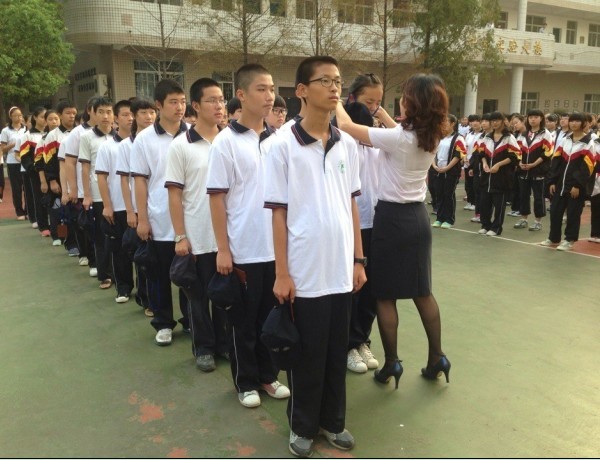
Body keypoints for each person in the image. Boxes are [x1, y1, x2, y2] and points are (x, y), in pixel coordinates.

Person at [266, 55, 365, 457]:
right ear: (302, 91)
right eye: (324, 80)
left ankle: (333, 422)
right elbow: (278, 213)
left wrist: (358, 260)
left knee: (335, 353)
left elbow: (352, 203)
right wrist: (282, 272)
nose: (334, 87)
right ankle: (303, 426)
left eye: (337, 80)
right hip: (304, 271)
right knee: (307, 355)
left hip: (340, 269)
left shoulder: (347, 144)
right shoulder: (280, 145)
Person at [335, 74, 452, 393]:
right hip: (418, 219)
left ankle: (392, 362)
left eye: (405, 97)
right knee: (422, 292)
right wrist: (379, 111)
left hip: (391, 219)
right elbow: (396, 128)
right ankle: (437, 357)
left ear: (411, 104)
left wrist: (336, 101)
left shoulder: (398, 138)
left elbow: (346, 126)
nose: (399, 101)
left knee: (385, 295)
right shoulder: (433, 135)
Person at [207, 63, 289, 409]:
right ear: (240, 94)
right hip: (244, 249)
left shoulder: (278, 141)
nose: (269, 96)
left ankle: (268, 376)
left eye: (271, 89)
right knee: (243, 322)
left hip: (277, 250)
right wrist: (223, 249)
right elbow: (217, 198)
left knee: (272, 318)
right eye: (261, 89)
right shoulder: (225, 142)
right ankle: (246, 381)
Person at [165, 78, 230, 372]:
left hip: (228, 236)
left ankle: (224, 344)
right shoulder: (181, 146)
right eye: (212, 100)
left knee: (225, 295)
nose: (219, 106)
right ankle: (203, 347)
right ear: (196, 105)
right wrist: (180, 235)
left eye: (222, 100)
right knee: (198, 296)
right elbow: (174, 195)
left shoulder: (229, 141)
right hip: (199, 235)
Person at [131, 79, 189, 345]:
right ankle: (164, 323)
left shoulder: (193, 134)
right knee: (159, 275)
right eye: (173, 102)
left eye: (183, 101)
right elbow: (140, 180)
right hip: (159, 218)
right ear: (159, 105)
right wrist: (142, 218)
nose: (180, 107)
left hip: (191, 219)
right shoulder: (144, 139)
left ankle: (190, 320)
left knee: (190, 276)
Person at [340, 73, 382, 375]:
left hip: (376, 224)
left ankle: (362, 340)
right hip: (351, 225)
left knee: (371, 289)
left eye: (378, 103)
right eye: (369, 102)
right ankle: (347, 344)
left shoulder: (376, 142)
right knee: (351, 287)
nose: (374, 108)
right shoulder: (341, 142)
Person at [116, 98, 157, 317]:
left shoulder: (160, 140)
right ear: (134, 115)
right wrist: (131, 211)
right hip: (139, 208)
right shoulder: (126, 145)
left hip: (160, 207)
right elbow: (125, 180)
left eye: (152, 112)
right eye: (143, 113)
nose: (149, 117)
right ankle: (146, 298)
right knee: (145, 255)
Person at [95, 99, 134, 302]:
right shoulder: (108, 147)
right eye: (125, 115)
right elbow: (102, 177)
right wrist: (107, 205)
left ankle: (145, 295)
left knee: (142, 252)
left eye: (133, 114)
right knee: (119, 250)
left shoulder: (141, 143)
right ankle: (123, 287)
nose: (130, 118)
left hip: (141, 206)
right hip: (118, 206)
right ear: (116, 118)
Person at [541, 112, 596, 251]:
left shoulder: (588, 143)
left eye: (577, 121)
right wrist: (552, 181)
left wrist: (577, 185)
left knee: (573, 214)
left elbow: (588, 167)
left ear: (584, 124)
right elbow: (556, 161)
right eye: (572, 121)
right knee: (555, 211)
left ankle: (569, 240)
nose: (573, 123)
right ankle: (553, 238)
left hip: (576, 186)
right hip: (560, 184)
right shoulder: (565, 139)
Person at [79, 97, 116, 288]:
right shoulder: (87, 137)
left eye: (109, 112)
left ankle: (119, 274)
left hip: (118, 194)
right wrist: (87, 195)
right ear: (92, 113)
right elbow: (85, 168)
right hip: (98, 193)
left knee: (119, 235)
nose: (105, 116)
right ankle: (105, 274)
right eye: (100, 112)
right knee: (102, 236)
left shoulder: (120, 136)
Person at [477, 111, 521, 236]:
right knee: (485, 203)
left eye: (497, 120)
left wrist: (498, 165)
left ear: (503, 121)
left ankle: (496, 228)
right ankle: (485, 225)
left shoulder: (509, 137)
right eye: (492, 120)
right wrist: (484, 163)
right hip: (487, 176)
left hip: (502, 177)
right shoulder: (487, 137)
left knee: (499, 205)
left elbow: (515, 156)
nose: (494, 123)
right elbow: (481, 153)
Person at [513, 109, 554, 232]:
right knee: (523, 195)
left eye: (536, 117)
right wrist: (519, 163)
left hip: (539, 171)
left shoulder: (546, 134)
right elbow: (517, 150)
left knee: (538, 197)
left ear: (541, 119)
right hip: (523, 170)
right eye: (530, 117)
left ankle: (538, 221)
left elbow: (548, 152)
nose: (533, 119)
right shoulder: (523, 134)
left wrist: (534, 164)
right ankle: (524, 219)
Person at [17, 107, 51, 236]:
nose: (45, 120)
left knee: (55, 200)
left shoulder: (51, 134)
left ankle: (56, 226)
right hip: (36, 173)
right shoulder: (28, 135)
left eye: (46, 117)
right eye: (42, 117)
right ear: (35, 118)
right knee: (39, 198)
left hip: (52, 172)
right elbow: (24, 157)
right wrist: (33, 169)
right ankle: (43, 226)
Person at [431, 114, 466, 229]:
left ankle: (449, 219)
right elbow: (432, 153)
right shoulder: (439, 137)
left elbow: (458, 155)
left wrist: (447, 168)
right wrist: (434, 165)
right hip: (438, 171)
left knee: (448, 194)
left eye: (445, 121)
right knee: (439, 194)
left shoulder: (458, 138)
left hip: (451, 172)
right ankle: (439, 218)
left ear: (452, 124)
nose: (443, 124)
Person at [1, 107, 28, 219]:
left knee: (27, 187)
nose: (18, 117)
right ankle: (19, 212)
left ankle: (28, 210)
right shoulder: (6, 131)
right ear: (10, 117)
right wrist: (14, 144)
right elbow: (3, 149)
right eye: (16, 115)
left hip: (24, 160)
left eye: (20, 115)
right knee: (16, 189)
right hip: (12, 162)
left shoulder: (26, 129)